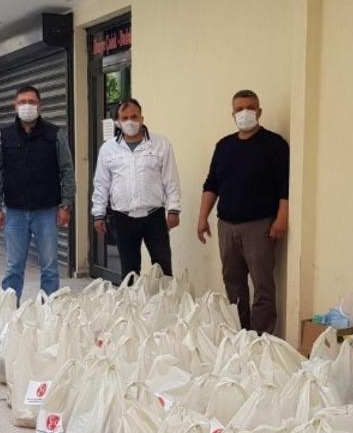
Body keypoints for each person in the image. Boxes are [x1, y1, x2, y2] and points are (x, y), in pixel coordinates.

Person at [197, 89, 290, 335]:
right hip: (227, 225)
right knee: (234, 285)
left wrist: (282, 218)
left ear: (259, 112)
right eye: (239, 109)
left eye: (250, 108)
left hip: (260, 226)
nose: (245, 113)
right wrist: (202, 217)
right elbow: (212, 184)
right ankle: (240, 335)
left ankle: (262, 339)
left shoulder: (275, 144)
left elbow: (285, 185)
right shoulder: (224, 146)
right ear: (233, 114)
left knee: (263, 286)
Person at [0, 85, 76, 298]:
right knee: (14, 268)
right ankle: (9, 314)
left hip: (46, 211)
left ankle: (49, 314)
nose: (27, 106)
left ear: (40, 105)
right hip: (15, 211)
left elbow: (67, 170)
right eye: (22, 102)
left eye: (32, 102)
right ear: (14, 106)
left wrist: (66, 205)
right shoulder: (4, 135)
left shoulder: (54, 134)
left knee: (50, 268)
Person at [91, 98, 181, 279]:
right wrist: (98, 214)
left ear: (142, 118)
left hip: (154, 217)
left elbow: (171, 179)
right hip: (122, 217)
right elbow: (101, 183)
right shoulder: (108, 149)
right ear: (118, 121)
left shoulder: (161, 144)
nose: (130, 122)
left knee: (163, 269)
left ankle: (164, 306)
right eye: (124, 118)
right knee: (129, 272)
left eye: (134, 117)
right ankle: (132, 306)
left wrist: (174, 209)